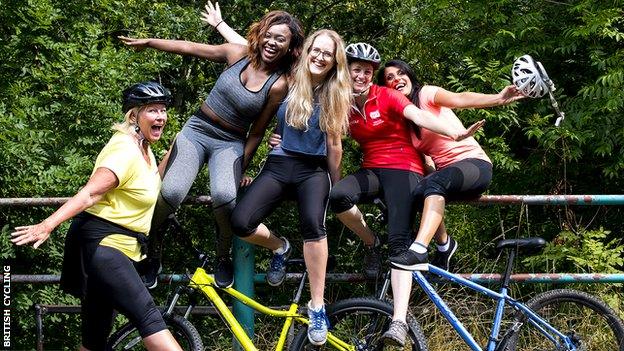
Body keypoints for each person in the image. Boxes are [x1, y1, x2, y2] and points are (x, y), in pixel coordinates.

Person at [118, 10, 304, 289]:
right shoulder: (236, 53)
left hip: (230, 143)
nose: (272, 42)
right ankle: (149, 249)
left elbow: (257, 131)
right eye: (269, 35)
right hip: (197, 131)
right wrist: (150, 42)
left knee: (225, 197)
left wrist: (241, 166)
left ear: (289, 47)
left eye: (281, 39)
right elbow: (190, 48)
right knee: (170, 192)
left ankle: (222, 256)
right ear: (260, 34)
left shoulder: (278, 85)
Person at [327, 43, 483, 347]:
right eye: (356, 69)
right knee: (338, 196)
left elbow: (418, 115)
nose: (361, 75)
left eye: (367, 71)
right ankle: (371, 242)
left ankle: (398, 321)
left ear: (373, 76)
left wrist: (454, 133)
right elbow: (331, 141)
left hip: (404, 169)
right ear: (347, 72)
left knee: (400, 245)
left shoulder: (386, 95)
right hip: (372, 168)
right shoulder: (341, 103)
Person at [11, 82, 182, 351]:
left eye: (163, 110)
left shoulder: (144, 149)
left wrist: (177, 148)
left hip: (121, 249)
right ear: (134, 115)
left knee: (94, 340)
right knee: (149, 317)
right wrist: (47, 225)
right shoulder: (124, 150)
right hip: (104, 247)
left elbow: (150, 182)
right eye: (152, 110)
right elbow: (90, 194)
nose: (161, 116)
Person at [376, 59, 524, 345]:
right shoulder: (408, 121)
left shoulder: (427, 94)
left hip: (474, 166)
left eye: (400, 73)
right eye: (389, 78)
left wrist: (499, 98)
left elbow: (461, 99)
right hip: (446, 177)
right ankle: (445, 245)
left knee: (432, 184)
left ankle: (420, 249)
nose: (396, 79)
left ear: (410, 76)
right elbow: (427, 164)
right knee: (420, 190)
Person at [230, 29, 351, 346]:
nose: (320, 56)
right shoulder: (288, 80)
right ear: (307, 50)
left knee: (313, 224)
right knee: (241, 221)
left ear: (334, 61)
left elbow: (334, 145)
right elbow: (252, 47)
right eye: (316, 49)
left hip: (314, 169)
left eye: (328, 53)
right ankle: (280, 247)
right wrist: (219, 25)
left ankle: (317, 306)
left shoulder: (335, 93)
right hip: (280, 163)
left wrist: (335, 186)